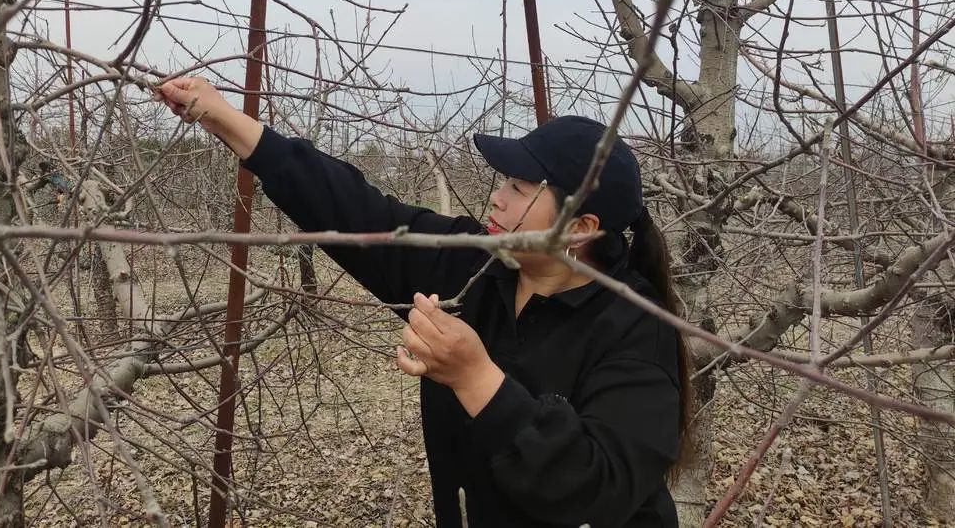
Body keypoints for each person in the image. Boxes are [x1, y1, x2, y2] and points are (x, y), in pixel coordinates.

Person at [155, 77, 689, 528]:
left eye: (522, 187)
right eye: (505, 180)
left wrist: (476, 377)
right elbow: (358, 212)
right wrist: (225, 118)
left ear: (579, 228)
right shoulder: (477, 268)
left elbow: (599, 488)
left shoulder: (637, 327)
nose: (498, 196)